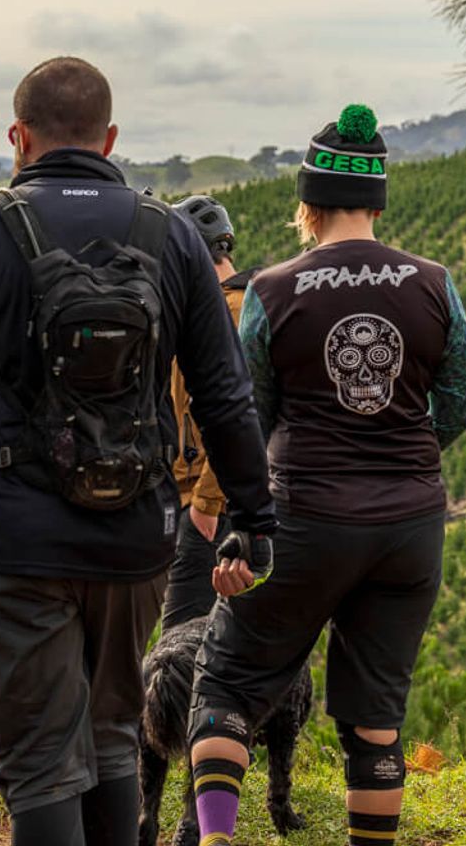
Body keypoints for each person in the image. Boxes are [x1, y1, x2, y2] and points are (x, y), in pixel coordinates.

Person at [0, 57, 277, 846]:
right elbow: (224, 393)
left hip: (18, 538)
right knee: (110, 740)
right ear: (109, 138)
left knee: (40, 764)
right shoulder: (171, 235)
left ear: (17, 137)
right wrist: (253, 517)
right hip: (135, 538)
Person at [180, 104, 466, 846]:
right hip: (409, 528)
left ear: (308, 205)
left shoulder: (275, 290)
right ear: (378, 201)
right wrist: (397, 450)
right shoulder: (436, 285)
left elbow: (245, 420)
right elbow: (456, 406)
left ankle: (215, 838)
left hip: (304, 518)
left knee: (226, 680)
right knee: (375, 720)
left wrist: (244, 526)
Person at [161, 193, 261, 629]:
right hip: (219, 502)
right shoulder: (238, 304)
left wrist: (205, 501)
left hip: (211, 508)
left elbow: (243, 412)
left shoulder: (228, 311)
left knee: (180, 640)